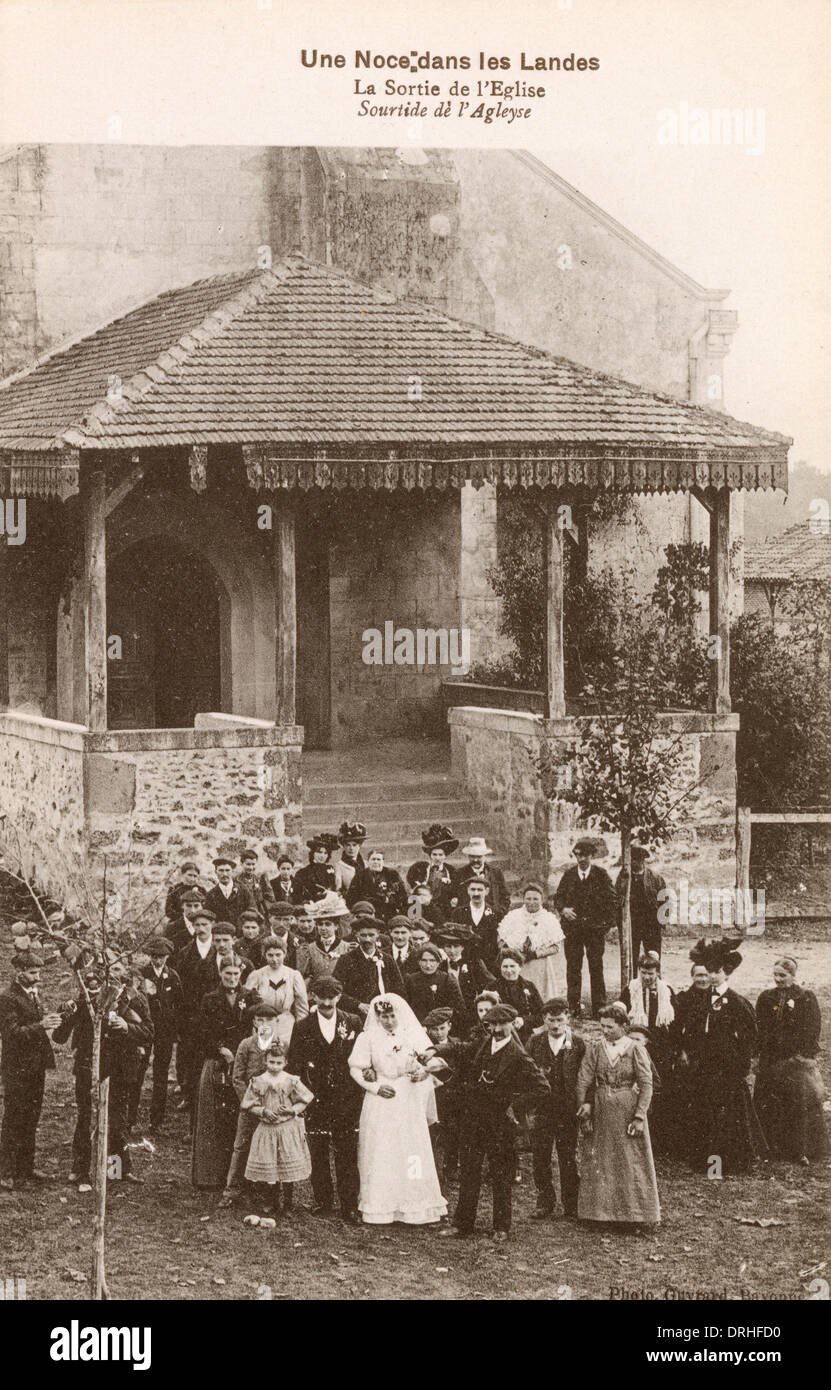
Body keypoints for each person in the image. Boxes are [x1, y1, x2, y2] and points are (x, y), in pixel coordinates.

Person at [449, 1003, 549, 1241]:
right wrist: (436, 1050)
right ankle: (463, 1224)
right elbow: (462, 1048)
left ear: (512, 1024)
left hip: (501, 1125)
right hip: (475, 1121)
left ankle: (501, 1227)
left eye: (500, 1024)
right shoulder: (485, 1043)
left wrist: (515, 1106)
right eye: (491, 1024)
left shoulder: (518, 1054)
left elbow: (542, 1088)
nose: (495, 1029)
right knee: (470, 1173)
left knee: (501, 1175)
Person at [348, 994, 447, 1225]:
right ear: (377, 1017)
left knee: (411, 1148)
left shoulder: (412, 1034)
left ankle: (414, 1203)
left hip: (409, 1096)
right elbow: (355, 1068)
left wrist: (424, 1071)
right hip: (382, 1097)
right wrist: (374, 1086)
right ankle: (382, 1204)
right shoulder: (368, 1037)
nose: (389, 1021)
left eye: (393, 1016)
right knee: (383, 1148)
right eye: (384, 1016)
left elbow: (433, 1058)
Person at [53, 960, 153, 1187]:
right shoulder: (85, 1000)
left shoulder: (134, 999)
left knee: (117, 1121)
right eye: (104, 971)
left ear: (125, 973)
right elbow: (59, 1036)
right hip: (88, 1067)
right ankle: (80, 1170)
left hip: (120, 1068)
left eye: (116, 969)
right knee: (86, 1117)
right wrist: (64, 1013)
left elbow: (148, 1032)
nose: (109, 976)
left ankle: (116, 1171)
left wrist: (126, 1027)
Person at [681, 938, 766, 1176]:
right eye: (709, 972)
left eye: (717, 972)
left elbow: (750, 1037)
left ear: (726, 973)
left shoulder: (737, 1002)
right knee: (705, 1111)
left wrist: (741, 1064)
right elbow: (693, 1029)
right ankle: (706, 1162)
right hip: (705, 1066)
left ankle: (730, 1163)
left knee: (728, 1115)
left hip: (727, 1068)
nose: (713, 976)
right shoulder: (700, 999)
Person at [575, 1002, 660, 1227]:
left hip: (627, 1109)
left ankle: (635, 1214)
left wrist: (640, 1116)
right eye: (602, 1026)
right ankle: (599, 1213)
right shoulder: (595, 1048)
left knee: (629, 1159)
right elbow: (584, 1078)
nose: (605, 1031)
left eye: (610, 1027)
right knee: (601, 1159)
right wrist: (584, 1106)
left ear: (623, 1026)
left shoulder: (635, 1049)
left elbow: (646, 1084)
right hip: (601, 1108)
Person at [287, 976, 363, 1221]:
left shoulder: (352, 1022)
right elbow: (296, 1064)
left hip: (346, 1097)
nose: (327, 1002)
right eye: (322, 996)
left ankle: (349, 1204)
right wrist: (302, 1097)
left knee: (347, 1152)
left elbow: (361, 1058)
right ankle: (323, 1201)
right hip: (316, 1097)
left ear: (340, 997)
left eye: (333, 996)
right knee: (318, 1152)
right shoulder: (302, 1026)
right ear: (313, 997)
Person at [754, 956, 827, 1164]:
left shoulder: (805, 998)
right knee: (768, 1103)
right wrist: (761, 1055)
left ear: (793, 976)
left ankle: (799, 1150)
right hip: (771, 1060)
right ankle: (767, 1148)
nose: (778, 979)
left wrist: (800, 1056)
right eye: (775, 975)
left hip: (795, 1061)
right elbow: (760, 1029)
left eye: (783, 975)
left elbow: (812, 1029)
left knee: (797, 1105)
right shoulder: (766, 998)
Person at [192, 956, 256, 1190]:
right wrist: (220, 1049)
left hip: (245, 1062)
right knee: (215, 1117)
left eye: (236, 974)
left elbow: (264, 1025)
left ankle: (244, 1176)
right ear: (220, 974)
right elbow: (200, 1032)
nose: (231, 978)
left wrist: (246, 1050)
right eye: (227, 973)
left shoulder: (250, 997)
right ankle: (212, 1176)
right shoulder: (210, 999)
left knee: (243, 1116)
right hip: (217, 1062)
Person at [0, 949, 60, 1189]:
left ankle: (25, 1168)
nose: (38, 978)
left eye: (39, 973)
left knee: (31, 1118)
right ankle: (5, 1172)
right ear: (19, 972)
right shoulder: (7, 998)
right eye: (33, 973)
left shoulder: (32, 994)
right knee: (14, 1118)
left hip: (35, 1067)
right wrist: (41, 1026)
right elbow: (12, 1034)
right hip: (17, 1069)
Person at [218, 1002, 281, 1207]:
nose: (264, 1024)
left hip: (272, 1108)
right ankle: (232, 1191)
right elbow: (237, 1078)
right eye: (260, 1020)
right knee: (241, 1147)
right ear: (254, 1022)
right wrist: (251, 1104)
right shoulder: (246, 1044)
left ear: (276, 1022)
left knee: (270, 1150)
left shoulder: (280, 1045)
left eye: (269, 1020)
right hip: (249, 1106)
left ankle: (268, 1195)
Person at [527, 999, 585, 1219]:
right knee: (540, 1156)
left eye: (560, 1020)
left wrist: (583, 1103)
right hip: (542, 1108)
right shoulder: (535, 1042)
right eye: (551, 1020)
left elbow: (586, 1077)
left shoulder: (578, 1044)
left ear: (567, 1018)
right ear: (544, 1019)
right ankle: (545, 1201)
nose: (555, 1025)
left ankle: (571, 1203)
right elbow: (525, 1070)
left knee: (568, 1157)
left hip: (567, 1109)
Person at [241, 1041, 314, 1215]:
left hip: (287, 1128)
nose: (275, 1066)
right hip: (267, 1129)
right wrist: (263, 1111)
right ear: (265, 1061)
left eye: (279, 1062)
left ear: (285, 1062)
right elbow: (248, 1105)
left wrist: (292, 1110)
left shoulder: (291, 1080)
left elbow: (304, 1100)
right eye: (271, 1062)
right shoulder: (258, 1081)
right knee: (270, 1165)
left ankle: (287, 1203)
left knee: (286, 1164)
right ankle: (271, 1200)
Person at [553, 837, 616, 1017]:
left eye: (585, 855)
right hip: (573, 930)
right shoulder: (569, 875)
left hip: (594, 931)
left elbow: (613, 901)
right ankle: (573, 1006)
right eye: (578, 855)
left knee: (596, 967)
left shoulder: (601, 875)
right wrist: (564, 910)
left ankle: (599, 1007)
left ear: (592, 856)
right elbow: (559, 897)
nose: (581, 859)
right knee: (573, 967)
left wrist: (605, 925)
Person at [620, 951, 676, 1153]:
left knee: (656, 1087)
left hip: (659, 1048)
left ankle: (658, 1140)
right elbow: (621, 1017)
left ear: (657, 973)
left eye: (651, 973)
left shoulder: (666, 991)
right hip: (636, 1046)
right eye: (643, 972)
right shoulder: (631, 990)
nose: (647, 977)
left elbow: (674, 1024)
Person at [136, 936, 184, 1133]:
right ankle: (130, 1118)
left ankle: (156, 1121)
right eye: (155, 956)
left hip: (164, 1031)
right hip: (144, 1029)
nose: (158, 961)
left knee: (161, 1073)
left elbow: (179, 1004)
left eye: (162, 957)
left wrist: (175, 1029)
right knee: (138, 1070)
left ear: (167, 956)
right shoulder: (141, 975)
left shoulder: (172, 976)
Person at [423, 1007, 467, 1186]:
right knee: (432, 1134)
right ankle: (432, 1171)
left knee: (453, 1133)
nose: (439, 1033)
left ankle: (451, 1169)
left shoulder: (457, 1044)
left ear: (449, 1026)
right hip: (433, 1097)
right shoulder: (424, 1046)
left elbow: (462, 1069)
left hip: (454, 1097)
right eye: (435, 1029)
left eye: (442, 1028)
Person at [498, 883, 565, 1000]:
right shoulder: (513, 916)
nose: (531, 902)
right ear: (523, 899)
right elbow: (501, 941)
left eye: (535, 899)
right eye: (528, 898)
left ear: (542, 900)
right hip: (517, 964)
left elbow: (556, 947)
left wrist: (535, 954)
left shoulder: (549, 918)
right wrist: (514, 953)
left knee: (539, 994)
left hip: (539, 965)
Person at [244, 937, 309, 1046]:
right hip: (264, 1022)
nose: (274, 959)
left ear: (284, 954)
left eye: (278, 955)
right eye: (270, 955)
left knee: (284, 1052)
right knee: (264, 1051)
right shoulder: (257, 975)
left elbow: (302, 1007)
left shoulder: (293, 975)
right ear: (264, 955)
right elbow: (246, 1001)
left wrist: (301, 1029)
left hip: (286, 1022)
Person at [334, 918, 405, 1016]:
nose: (367, 939)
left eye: (371, 935)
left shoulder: (387, 959)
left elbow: (398, 988)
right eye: (363, 935)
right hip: (355, 1015)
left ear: (378, 935)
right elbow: (336, 990)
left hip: (382, 1014)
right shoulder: (346, 960)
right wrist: (358, 1005)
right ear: (357, 935)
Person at [435, 927, 495, 1035]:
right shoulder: (439, 966)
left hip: (470, 1016)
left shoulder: (473, 963)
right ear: (443, 947)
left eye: (456, 946)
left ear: (462, 947)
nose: (452, 951)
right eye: (448, 946)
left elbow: (491, 983)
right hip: (447, 1018)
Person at [615, 844, 667, 963]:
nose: (634, 863)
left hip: (651, 924)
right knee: (631, 957)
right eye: (631, 860)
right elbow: (616, 899)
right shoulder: (623, 877)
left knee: (653, 956)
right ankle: (633, 981)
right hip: (632, 924)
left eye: (637, 860)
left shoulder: (655, 878)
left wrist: (661, 921)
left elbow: (665, 899)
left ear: (642, 861)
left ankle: (655, 979)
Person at [406, 943, 466, 1031]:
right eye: (424, 960)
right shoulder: (411, 980)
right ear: (419, 961)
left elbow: (459, 1008)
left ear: (438, 962)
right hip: (418, 1027)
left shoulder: (447, 979)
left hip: (442, 1029)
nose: (428, 965)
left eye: (432, 960)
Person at [407, 825, 460, 913]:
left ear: (445, 855)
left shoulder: (451, 871)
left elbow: (454, 892)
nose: (437, 858)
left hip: (444, 909)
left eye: (440, 855)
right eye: (434, 854)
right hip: (422, 908)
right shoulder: (420, 868)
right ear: (430, 855)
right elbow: (415, 889)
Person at [495, 950, 544, 1045]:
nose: (508, 971)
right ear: (500, 968)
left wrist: (524, 1021)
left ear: (520, 967)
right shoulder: (492, 987)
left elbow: (541, 1015)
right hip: (499, 1035)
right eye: (505, 966)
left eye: (512, 966)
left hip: (524, 1036)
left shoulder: (529, 986)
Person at [346, 850, 409, 922]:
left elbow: (402, 895)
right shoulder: (360, 875)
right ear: (368, 861)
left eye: (378, 859)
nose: (375, 862)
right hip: (367, 913)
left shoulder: (392, 874)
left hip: (388, 912)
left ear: (383, 861)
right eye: (373, 859)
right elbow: (351, 897)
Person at [454, 838, 509, 918]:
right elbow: (454, 897)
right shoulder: (459, 873)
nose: (475, 860)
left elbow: (505, 896)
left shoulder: (496, 872)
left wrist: (499, 912)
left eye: (479, 857)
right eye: (472, 856)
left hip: (491, 917)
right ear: (468, 856)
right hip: (468, 918)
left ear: (485, 856)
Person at [459, 878, 502, 969]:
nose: (476, 893)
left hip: (489, 964)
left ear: (487, 891)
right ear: (468, 891)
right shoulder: (458, 913)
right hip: (466, 963)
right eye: (473, 889)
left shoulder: (497, 914)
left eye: (480, 890)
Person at [296, 916, 352, 984]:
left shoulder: (347, 947)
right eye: (320, 924)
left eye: (327, 924)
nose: (323, 928)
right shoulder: (309, 948)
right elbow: (304, 975)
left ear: (336, 926)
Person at [203, 857, 257, 927]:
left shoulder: (243, 890)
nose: (225, 874)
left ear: (232, 871)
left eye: (227, 870)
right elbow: (208, 918)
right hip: (221, 934)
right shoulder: (211, 894)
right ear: (216, 872)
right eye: (221, 870)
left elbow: (252, 911)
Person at [293, 836, 341, 904]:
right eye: (319, 852)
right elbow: (297, 895)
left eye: (325, 853)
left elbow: (335, 888)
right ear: (313, 853)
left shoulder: (330, 869)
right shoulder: (303, 872)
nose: (322, 856)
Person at [237, 848, 276, 919]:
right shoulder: (236, 880)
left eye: (253, 864)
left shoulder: (260, 879)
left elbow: (270, 898)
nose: (251, 867)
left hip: (260, 915)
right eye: (248, 864)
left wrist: (267, 913)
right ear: (241, 864)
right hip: (242, 915)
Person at [165, 885, 205, 954]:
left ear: (202, 907)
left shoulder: (207, 927)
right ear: (182, 906)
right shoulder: (172, 928)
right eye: (188, 906)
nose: (192, 910)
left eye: (196, 906)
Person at [335, 821, 367, 896]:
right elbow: (338, 889)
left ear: (359, 846)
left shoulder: (366, 864)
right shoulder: (339, 865)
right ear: (344, 846)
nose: (351, 848)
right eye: (348, 845)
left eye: (354, 845)